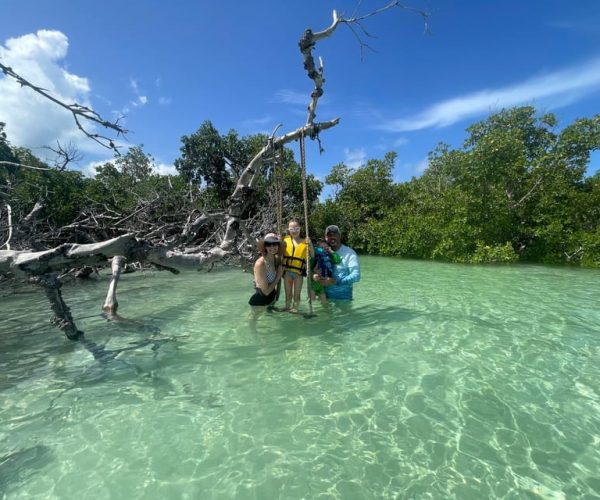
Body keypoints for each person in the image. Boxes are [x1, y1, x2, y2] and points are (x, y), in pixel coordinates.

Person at [314, 225, 360, 300]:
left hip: (343, 300)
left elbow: (356, 276)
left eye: (335, 234)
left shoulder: (349, 253)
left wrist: (335, 281)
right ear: (325, 238)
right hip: (323, 298)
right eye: (329, 235)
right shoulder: (320, 253)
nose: (332, 237)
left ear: (340, 236)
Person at [282, 219, 313, 312]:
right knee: (288, 294)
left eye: (296, 228)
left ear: (300, 229)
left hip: (298, 274)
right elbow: (278, 250)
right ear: (288, 230)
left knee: (297, 294)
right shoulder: (285, 240)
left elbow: (312, 255)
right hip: (287, 272)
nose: (294, 231)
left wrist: (310, 244)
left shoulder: (305, 242)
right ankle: (287, 307)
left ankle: (295, 308)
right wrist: (278, 239)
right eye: (292, 229)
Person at [248, 233, 284, 308]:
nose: (272, 247)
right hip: (260, 302)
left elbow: (281, 253)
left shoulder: (276, 259)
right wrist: (278, 276)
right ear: (265, 246)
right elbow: (266, 292)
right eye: (268, 244)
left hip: (271, 298)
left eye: (275, 244)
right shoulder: (261, 263)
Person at [310, 238, 341, 305]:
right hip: (314, 283)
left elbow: (338, 260)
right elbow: (309, 269)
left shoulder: (329, 256)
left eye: (325, 247)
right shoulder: (315, 257)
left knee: (324, 303)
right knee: (312, 303)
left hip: (323, 284)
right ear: (317, 248)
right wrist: (314, 274)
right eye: (321, 247)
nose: (324, 249)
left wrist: (331, 251)